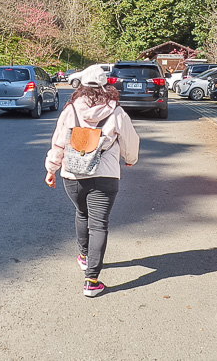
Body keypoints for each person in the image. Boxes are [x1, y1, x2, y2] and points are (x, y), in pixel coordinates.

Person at [45, 64, 139, 297]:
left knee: (82, 213)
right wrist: (130, 159)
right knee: (99, 225)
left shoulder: (70, 110)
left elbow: (58, 143)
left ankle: (84, 256)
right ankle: (91, 281)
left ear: (82, 86)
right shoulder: (116, 111)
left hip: (74, 175)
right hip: (106, 176)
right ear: (106, 86)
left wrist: (51, 169)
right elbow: (130, 139)